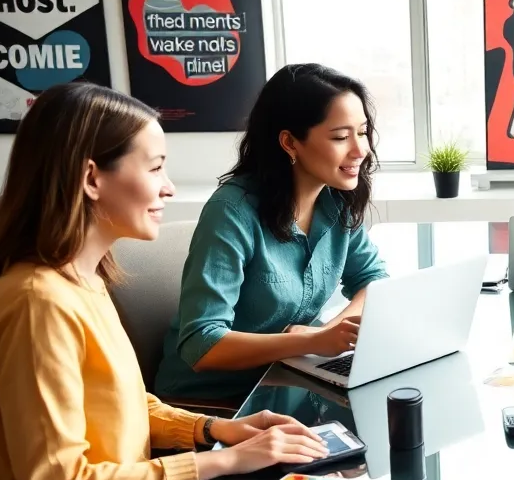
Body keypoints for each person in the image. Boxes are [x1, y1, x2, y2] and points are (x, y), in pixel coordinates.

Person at [0, 82, 330, 480]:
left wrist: (216, 430)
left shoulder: (81, 279)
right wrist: (219, 462)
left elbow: (122, 404)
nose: (168, 187)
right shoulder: (39, 304)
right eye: (155, 167)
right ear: (91, 179)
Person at [154, 63, 389, 400]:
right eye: (340, 137)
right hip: (212, 402)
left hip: (285, 382)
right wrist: (311, 342)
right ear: (290, 142)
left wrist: (332, 332)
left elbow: (372, 278)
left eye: (363, 132)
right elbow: (201, 344)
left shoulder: (335, 200)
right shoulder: (231, 211)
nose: (360, 150)